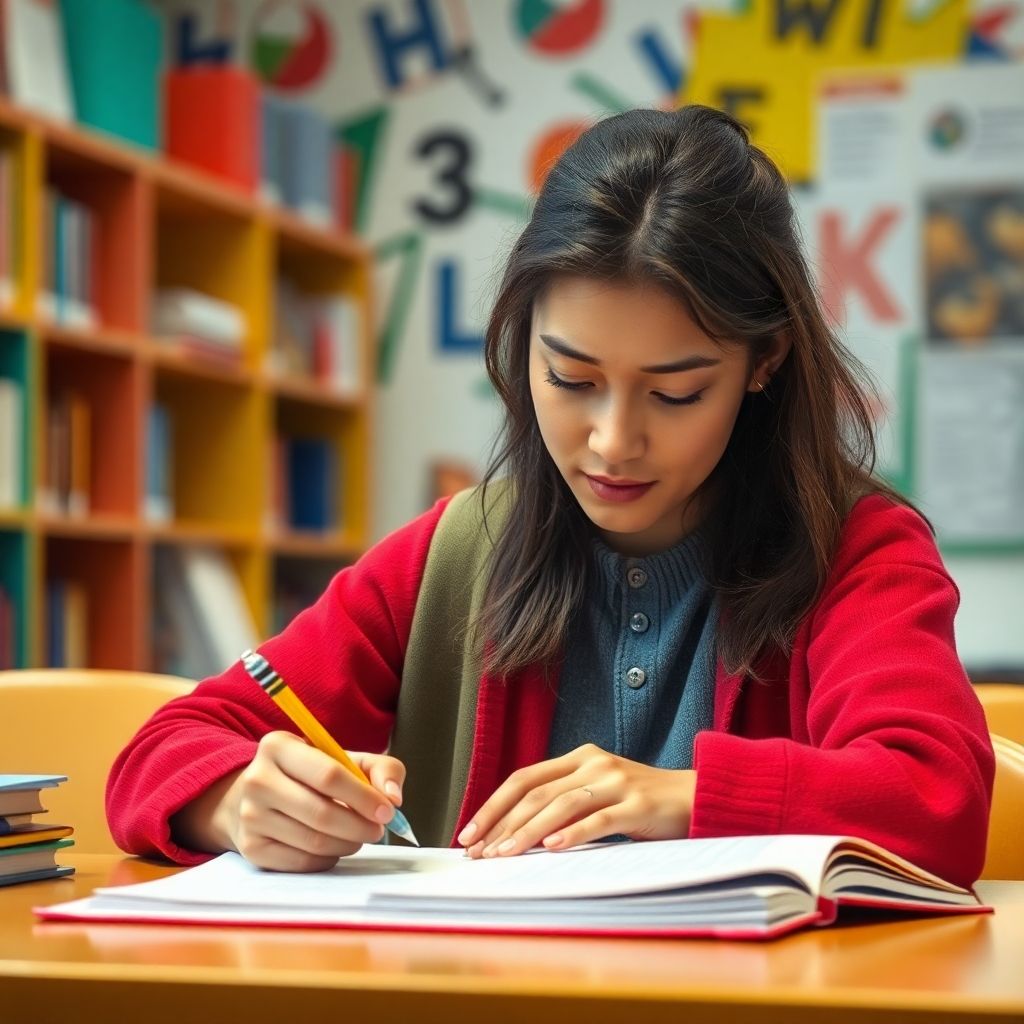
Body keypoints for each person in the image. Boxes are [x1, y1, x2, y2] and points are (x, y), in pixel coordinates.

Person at [107, 105, 994, 889]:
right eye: (570, 378)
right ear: (520, 341)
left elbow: (938, 797)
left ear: (765, 364)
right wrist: (237, 802)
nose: (613, 441)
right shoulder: (458, 554)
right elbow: (159, 753)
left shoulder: (856, 550)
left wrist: (683, 798)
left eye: (676, 393)